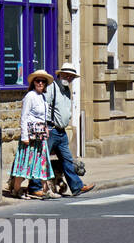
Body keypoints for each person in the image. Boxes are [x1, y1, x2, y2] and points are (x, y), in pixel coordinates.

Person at [45, 62, 94, 196]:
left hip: (61, 132)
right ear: (60, 74)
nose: (68, 78)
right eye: (66, 75)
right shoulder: (52, 88)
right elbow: (44, 107)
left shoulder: (66, 91)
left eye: (71, 76)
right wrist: (45, 127)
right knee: (43, 159)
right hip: (51, 129)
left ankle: (77, 187)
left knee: (67, 160)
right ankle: (36, 187)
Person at [8, 70, 55, 198]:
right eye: (37, 81)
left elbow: (42, 117)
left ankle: (47, 190)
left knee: (43, 163)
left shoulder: (43, 97)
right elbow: (24, 117)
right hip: (30, 136)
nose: (40, 83)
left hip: (40, 136)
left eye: (43, 81)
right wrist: (24, 137)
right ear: (33, 83)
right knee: (25, 165)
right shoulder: (30, 96)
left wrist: (46, 128)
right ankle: (16, 190)